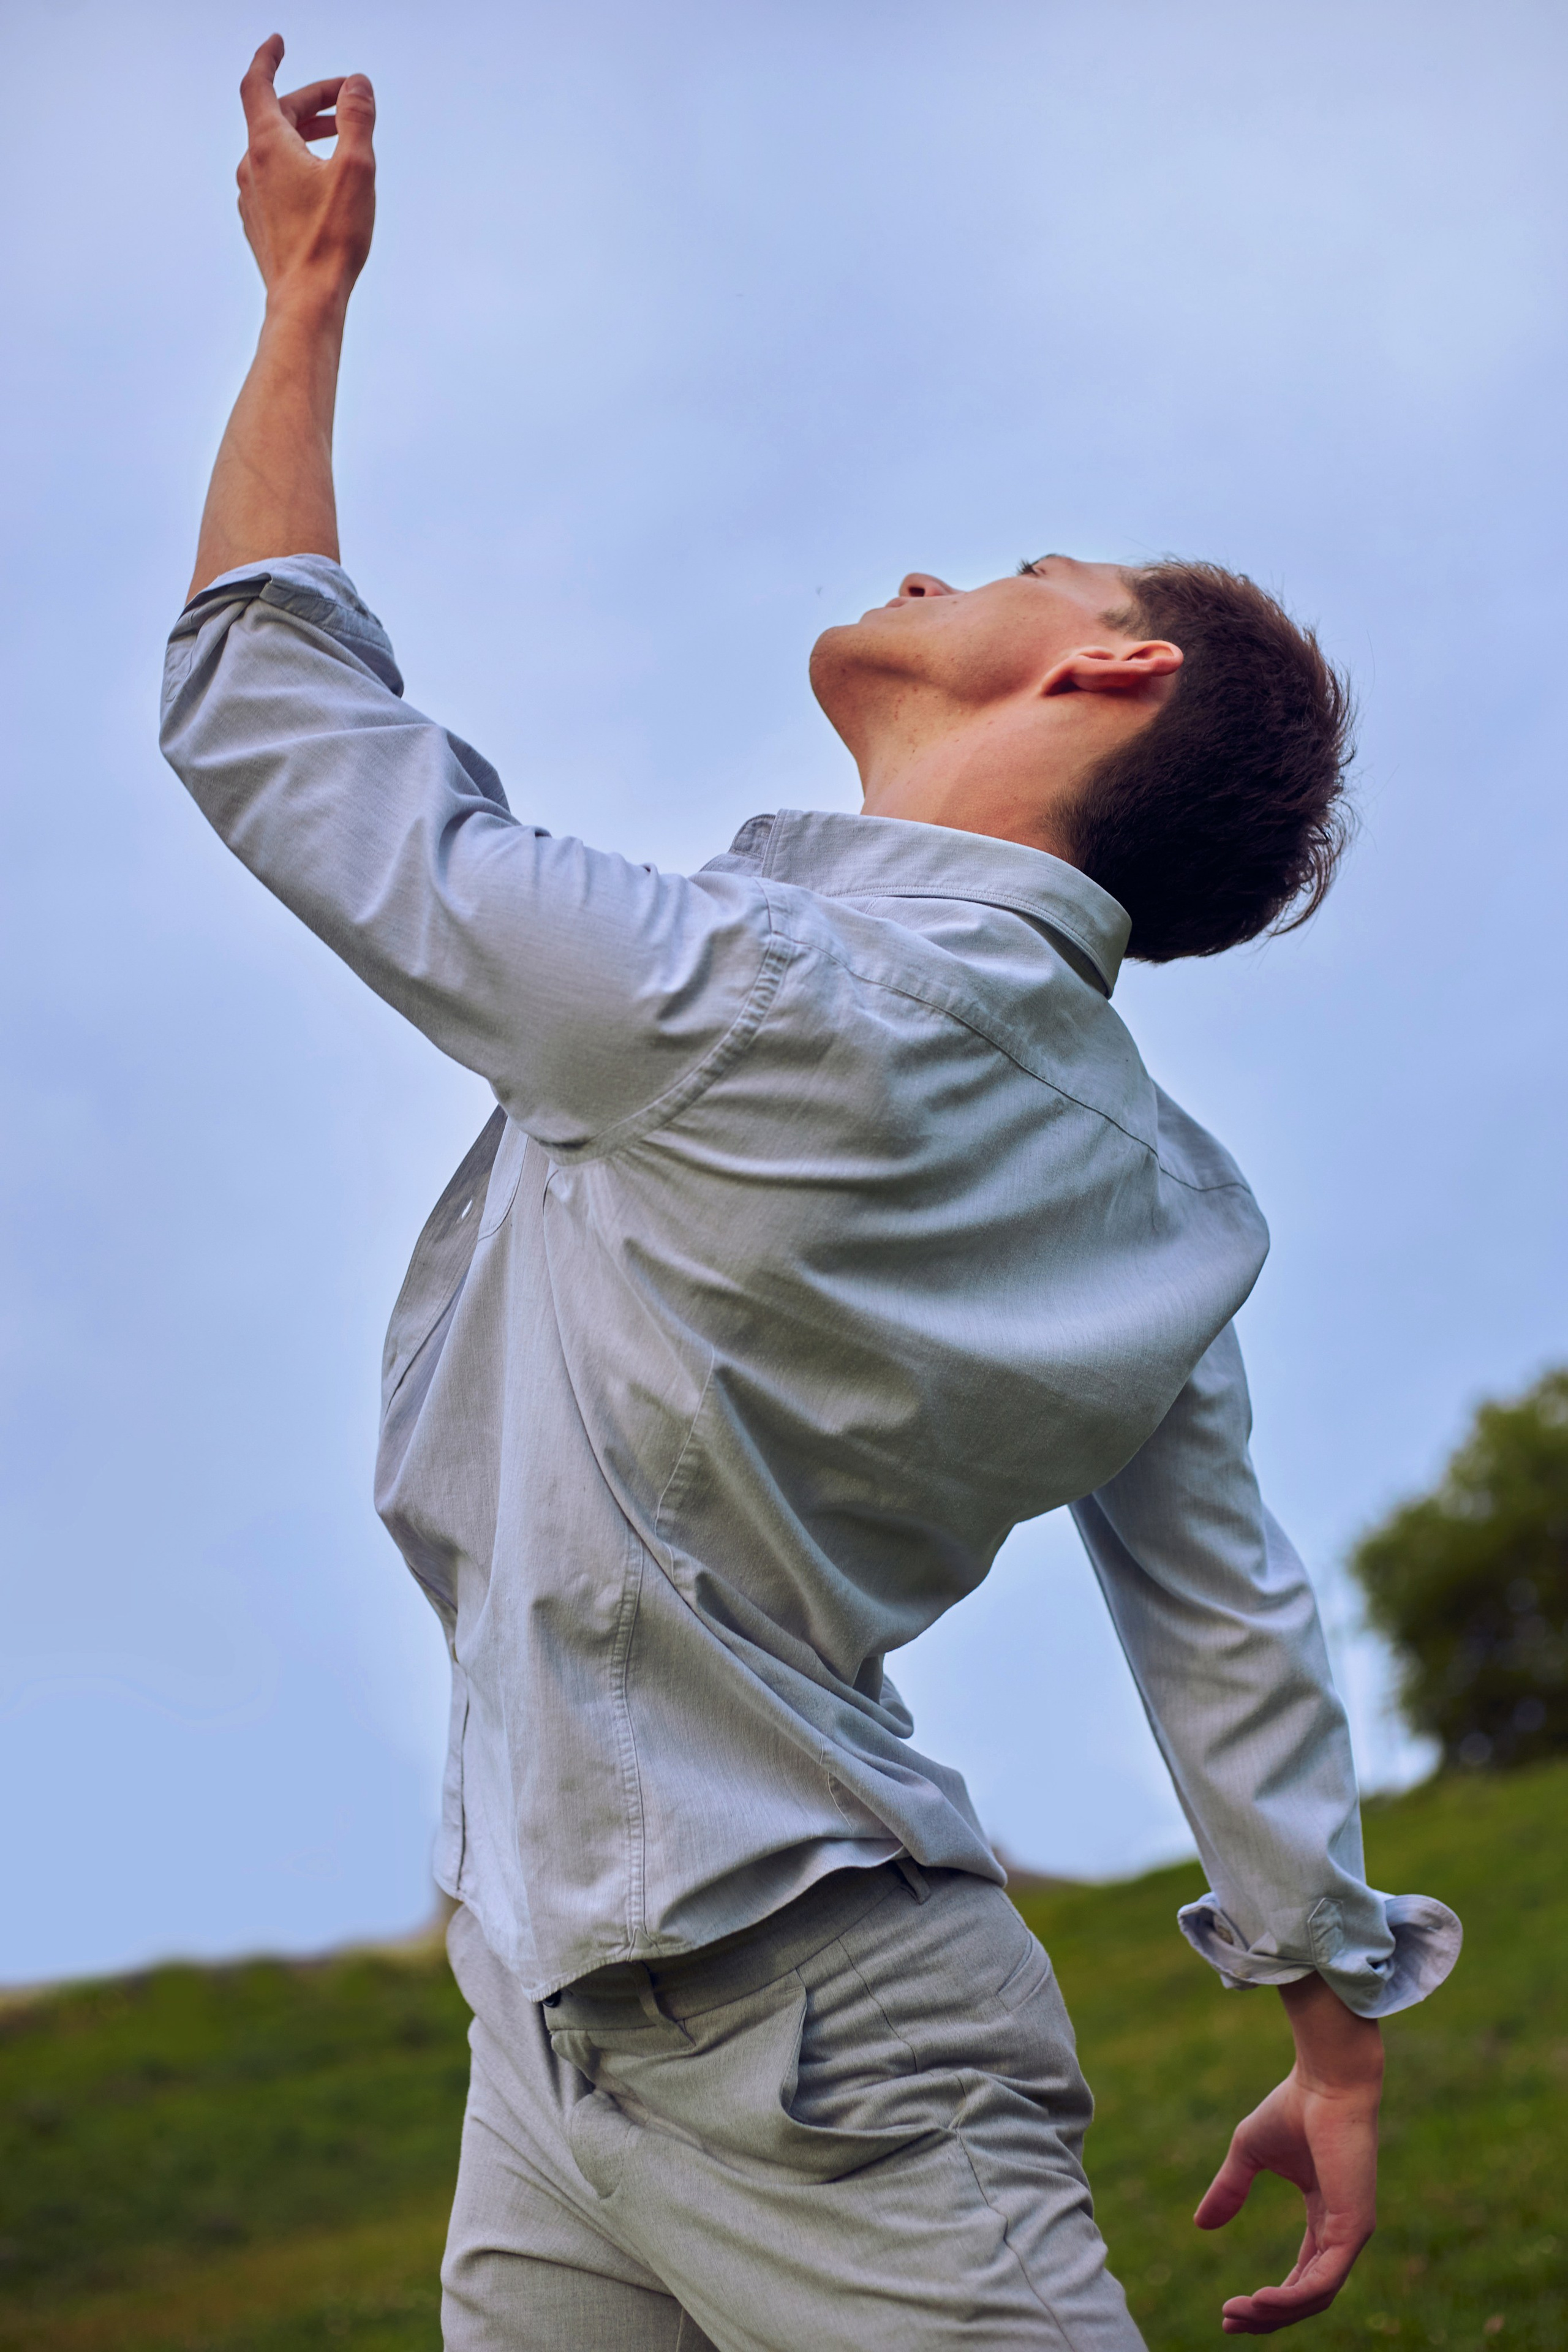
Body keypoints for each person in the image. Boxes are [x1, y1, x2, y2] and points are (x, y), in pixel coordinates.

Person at [161, 39, 1462, 2351]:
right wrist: (1332, 2031)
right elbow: (1224, 1621)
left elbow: (280, 733)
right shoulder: (1168, 1201)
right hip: (563, 2038)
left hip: (820, 2046)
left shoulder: (739, 994)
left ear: (1107, 663)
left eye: (1029, 567)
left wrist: (303, 298)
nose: (951, 569)